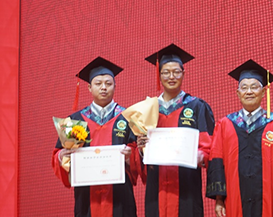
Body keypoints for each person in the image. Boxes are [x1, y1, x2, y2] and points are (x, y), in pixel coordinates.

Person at [52, 56, 138, 217]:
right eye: (98, 84)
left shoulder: (128, 117)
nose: (103, 88)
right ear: (89, 88)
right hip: (87, 198)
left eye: (108, 83)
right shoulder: (75, 120)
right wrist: (63, 156)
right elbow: (58, 155)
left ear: (115, 86)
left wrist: (130, 156)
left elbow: (138, 155)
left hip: (120, 197)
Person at [207, 59, 273, 217]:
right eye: (244, 87)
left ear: (263, 92)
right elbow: (217, 161)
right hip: (233, 199)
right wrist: (219, 199)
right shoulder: (225, 124)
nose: (249, 92)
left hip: (269, 199)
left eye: (254, 87)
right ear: (238, 93)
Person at [137, 44, 215, 217]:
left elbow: (209, 147)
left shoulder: (197, 106)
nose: (171, 77)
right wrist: (142, 150)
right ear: (159, 75)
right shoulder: (148, 109)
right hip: (156, 188)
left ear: (183, 74)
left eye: (176, 72)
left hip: (187, 186)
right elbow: (140, 155)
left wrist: (198, 156)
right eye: (166, 72)